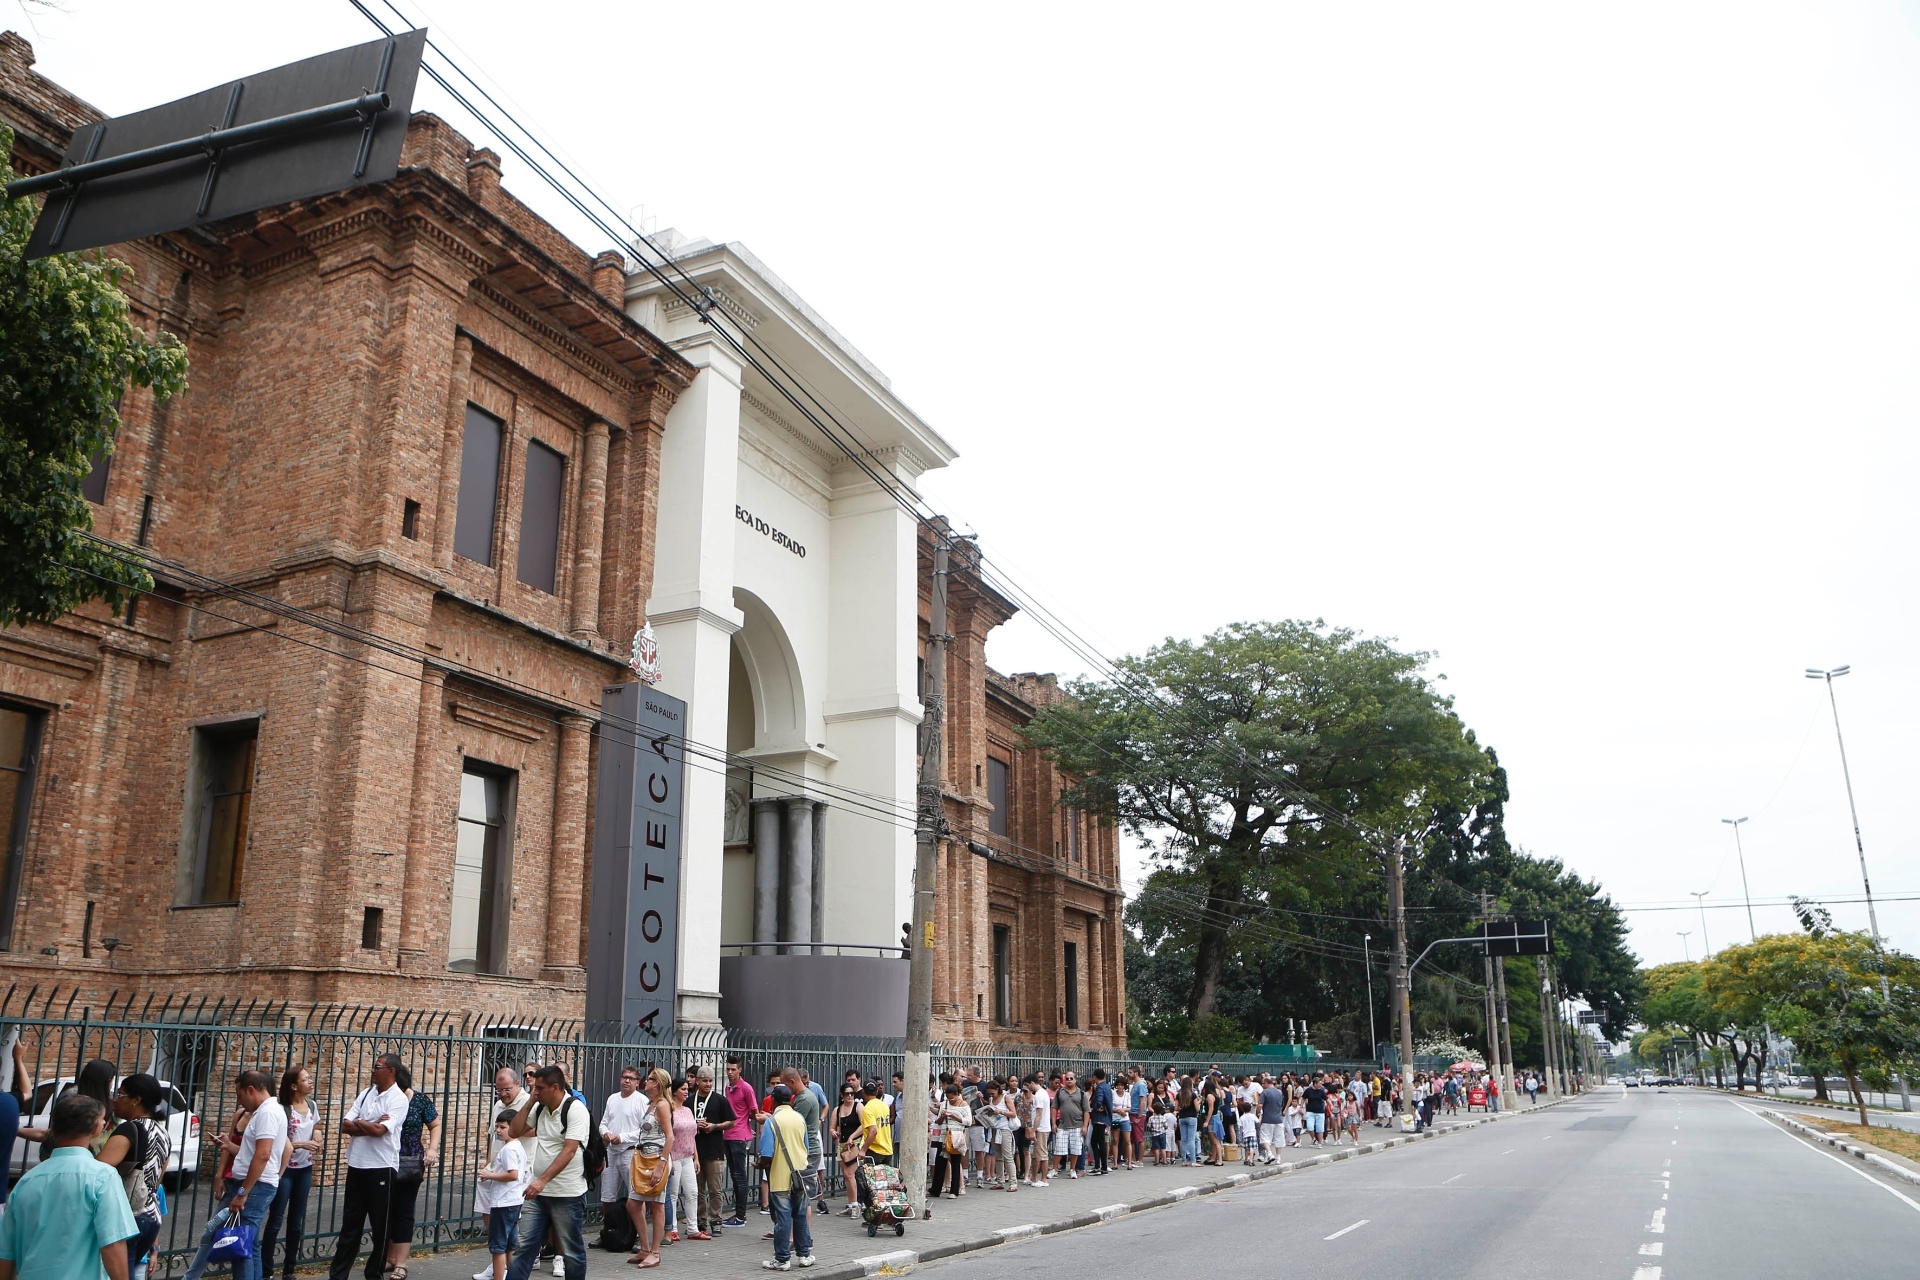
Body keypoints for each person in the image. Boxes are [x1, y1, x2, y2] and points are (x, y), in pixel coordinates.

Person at [0, 1093, 136, 1280]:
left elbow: (6, 1253)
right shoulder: (103, 1177)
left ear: (53, 1129)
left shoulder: (26, 1182)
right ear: (97, 1127)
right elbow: (113, 1245)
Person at [181, 1071, 287, 1280]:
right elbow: (253, 1154)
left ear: (251, 1090)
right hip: (254, 1185)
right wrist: (229, 1146)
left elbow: (264, 1154)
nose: (239, 1101)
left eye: (239, 1095)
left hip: (255, 1187)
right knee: (247, 1242)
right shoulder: (266, 1111)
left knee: (238, 1244)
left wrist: (243, 1191)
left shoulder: (267, 1113)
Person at [505, 1065, 589, 1280]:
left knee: (571, 1252)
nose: (536, 1091)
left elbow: (570, 1150)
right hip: (538, 1194)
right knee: (524, 1246)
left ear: (555, 1087)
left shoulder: (576, 1109)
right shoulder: (540, 1107)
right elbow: (514, 1131)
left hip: (566, 1193)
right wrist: (531, 1101)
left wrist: (542, 1180)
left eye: (540, 1088)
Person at [329, 1055, 406, 1280]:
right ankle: (338, 1275)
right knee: (350, 1226)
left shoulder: (398, 1099)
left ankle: (374, 1273)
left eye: (377, 1067)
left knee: (381, 1227)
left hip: (381, 1167)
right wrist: (370, 1123)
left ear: (390, 1071)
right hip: (357, 1164)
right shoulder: (366, 1094)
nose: (373, 1070)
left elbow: (381, 1132)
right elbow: (345, 1125)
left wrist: (362, 1123)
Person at [96, 1073, 169, 1280]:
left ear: (137, 1100)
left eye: (120, 1095)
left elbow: (98, 1171)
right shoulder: (162, 1131)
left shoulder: (129, 1129)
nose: (115, 1100)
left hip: (128, 1216)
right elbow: (158, 1179)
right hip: (150, 1216)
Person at [261, 1066, 320, 1280]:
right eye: (306, 1079)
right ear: (294, 1086)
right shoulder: (283, 1109)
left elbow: (316, 1127)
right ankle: (266, 1270)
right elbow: (278, 1143)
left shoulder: (312, 1105)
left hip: (304, 1169)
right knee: (276, 1219)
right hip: (285, 1170)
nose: (310, 1082)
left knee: (297, 1221)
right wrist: (302, 1143)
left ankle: (289, 1270)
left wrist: (318, 1138)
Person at [383, 1063, 440, 1280]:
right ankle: (387, 1258)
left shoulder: (419, 1100)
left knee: (404, 1211)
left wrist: (432, 1150)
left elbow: (435, 1124)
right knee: (385, 1210)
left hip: (409, 1161)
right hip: (384, 1160)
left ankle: (401, 1263)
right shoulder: (384, 1098)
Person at [754, 1086, 812, 1272]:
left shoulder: (772, 1122)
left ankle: (782, 1259)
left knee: (782, 1219)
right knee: (801, 1215)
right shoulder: (800, 1119)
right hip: (801, 1175)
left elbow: (767, 1154)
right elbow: (806, 1147)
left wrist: (759, 1165)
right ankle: (804, 1256)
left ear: (774, 1100)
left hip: (780, 1177)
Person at [625, 1067, 672, 1269]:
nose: (646, 1081)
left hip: (656, 1158)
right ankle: (644, 1248)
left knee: (656, 1204)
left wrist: (661, 1164)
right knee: (633, 1203)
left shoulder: (662, 1105)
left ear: (658, 1083)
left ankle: (655, 1251)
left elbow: (670, 1136)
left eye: (650, 1079)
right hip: (643, 1156)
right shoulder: (650, 1104)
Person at [598, 1068, 648, 1246]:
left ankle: (638, 1237)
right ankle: (608, 1231)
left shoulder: (642, 1101)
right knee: (607, 1196)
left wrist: (623, 1138)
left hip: (630, 1151)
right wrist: (606, 1133)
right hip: (612, 1151)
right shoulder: (613, 1098)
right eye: (624, 1077)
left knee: (636, 1196)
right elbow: (604, 1122)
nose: (627, 1081)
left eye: (631, 1078)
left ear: (637, 1082)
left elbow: (644, 1130)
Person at [477, 1116, 528, 1280]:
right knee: (510, 1245)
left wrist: (489, 1174)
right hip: (515, 1201)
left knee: (498, 1247)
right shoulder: (517, 1146)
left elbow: (512, 1175)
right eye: (497, 1127)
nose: (498, 1131)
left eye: (502, 1127)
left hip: (503, 1202)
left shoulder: (509, 1150)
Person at [689, 1066, 734, 1238]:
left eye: (710, 1081)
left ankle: (716, 1221)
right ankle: (700, 1221)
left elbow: (731, 1122)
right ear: (698, 1081)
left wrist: (715, 1126)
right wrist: (695, 1125)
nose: (708, 1084)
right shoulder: (689, 1101)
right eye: (705, 1080)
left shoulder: (720, 1100)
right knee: (697, 1190)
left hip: (715, 1151)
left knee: (715, 1189)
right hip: (696, 1152)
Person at [776, 1068, 823, 1218]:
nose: (785, 1089)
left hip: (808, 1151)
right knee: (799, 1193)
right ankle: (797, 1232)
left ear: (792, 1082)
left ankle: (800, 1233)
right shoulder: (801, 1097)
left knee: (802, 1195)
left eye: (784, 1085)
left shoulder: (804, 1099)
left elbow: (792, 1122)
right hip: (804, 1149)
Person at [721, 1057, 756, 1229]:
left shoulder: (746, 1088)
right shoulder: (728, 1088)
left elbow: (754, 1111)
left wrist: (745, 1127)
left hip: (739, 1136)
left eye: (733, 1069)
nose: (729, 1072)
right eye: (728, 1069)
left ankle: (741, 1215)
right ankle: (737, 1213)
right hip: (727, 1135)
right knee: (734, 1175)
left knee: (740, 1176)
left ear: (739, 1070)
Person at [665, 1078, 699, 1246]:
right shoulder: (670, 1109)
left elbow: (692, 1135)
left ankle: (693, 1228)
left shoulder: (687, 1110)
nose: (686, 1092)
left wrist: (696, 1156)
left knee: (692, 1192)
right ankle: (673, 1228)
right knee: (672, 1193)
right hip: (674, 1156)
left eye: (687, 1089)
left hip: (687, 1155)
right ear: (675, 1091)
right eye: (683, 1089)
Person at [929, 1084, 969, 1199]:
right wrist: (942, 1116)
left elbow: (968, 1121)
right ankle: (935, 1190)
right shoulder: (944, 1104)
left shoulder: (963, 1105)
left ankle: (954, 1190)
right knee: (940, 1163)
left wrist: (954, 1116)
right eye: (948, 1098)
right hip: (944, 1137)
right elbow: (938, 1122)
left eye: (952, 1098)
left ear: (957, 1095)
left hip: (956, 1137)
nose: (950, 1100)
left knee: (956, 1163)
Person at [1053, 1072, 1085, 1179]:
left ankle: (1072, 1169)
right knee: (1059, 1148)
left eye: (1071, 1078)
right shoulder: (1060, 1092)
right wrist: (1053, 1123)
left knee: (1075, 1149)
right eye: (1067, 1079)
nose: (1069, 1080)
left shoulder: (1081, 1093)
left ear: (1075, 1080)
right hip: (1062, 1124)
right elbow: (1054, 1108)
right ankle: (1055, 1169)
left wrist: (1085, 1126)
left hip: (1077, 1124)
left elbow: (1086, 1111)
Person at [857, 1082, 892, 1167]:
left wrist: (863, 1150)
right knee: (885, 1179)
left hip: (874, 1151)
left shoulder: (868, 1108)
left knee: (872, 1179)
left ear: (863, 1092)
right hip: (887, 1150)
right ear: (876, 1092)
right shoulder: (884, 1106)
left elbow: (873, 1131)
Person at [1085, 1070, 1113, 1176]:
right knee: (1097, 1142)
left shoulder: (1100, 1087)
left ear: (1095, 1077)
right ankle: (1100, 1166)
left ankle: (1101, 1167)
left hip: (1099, 1118)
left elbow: (1099, 1100)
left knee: (1097, 1142)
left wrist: (1096, 1107)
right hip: (1104, 1118)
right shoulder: (1107, 1087)